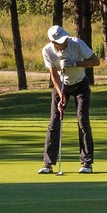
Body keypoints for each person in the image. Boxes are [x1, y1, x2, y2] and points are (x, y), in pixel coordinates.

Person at [38, 23, 101, 175]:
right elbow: (54, 75)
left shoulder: (77, 43)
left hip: (81, 84)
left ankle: (87, 162)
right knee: (54, 121)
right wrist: (61, 97)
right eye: (60, 41)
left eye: (64, 39)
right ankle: (48, 164)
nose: (64, 42)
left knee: (82, 120)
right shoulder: (47, 51)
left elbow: (96, 61)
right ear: (53, 42)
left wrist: (75, 63)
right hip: (62, 85)